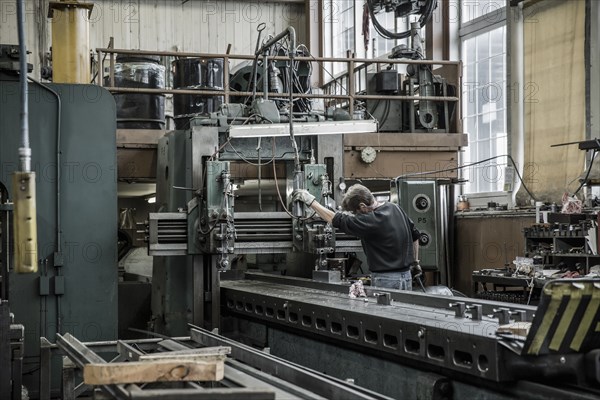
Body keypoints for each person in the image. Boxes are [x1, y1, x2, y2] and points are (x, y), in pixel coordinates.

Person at [294, 184, 421, 290]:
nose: (356, 216)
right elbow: (415, 236)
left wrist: (310, 201)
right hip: (406, 277)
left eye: (355, 213)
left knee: (387, 318)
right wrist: (415, 262)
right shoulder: (395, 208)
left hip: (386, 280)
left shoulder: (370, 220)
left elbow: (336, 220)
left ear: (362, 206)